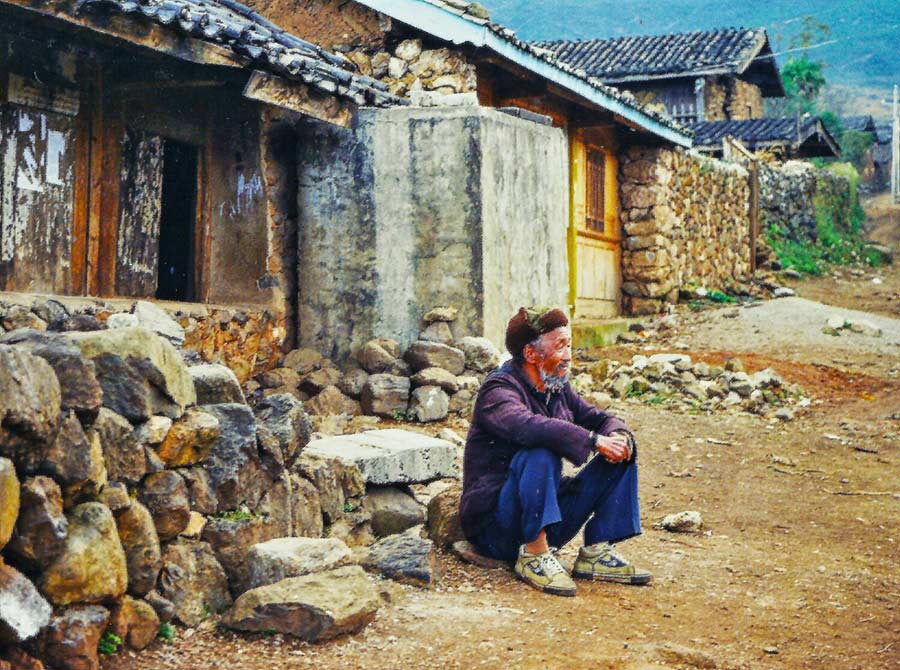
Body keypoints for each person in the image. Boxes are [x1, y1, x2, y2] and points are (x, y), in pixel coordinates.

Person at [460, 306, 651, 596]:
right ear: (531, 354)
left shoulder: (557, 387)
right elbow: (527, 426)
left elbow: (599, 418)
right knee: (540, 450)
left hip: (543, 517)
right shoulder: (498, 390)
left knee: (623, 449)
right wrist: (592, 440)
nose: (569, 355)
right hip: (496, 526)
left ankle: (596, 551)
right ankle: (534, 556)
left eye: (569, 345)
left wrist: (618, 435)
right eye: (560, 346)